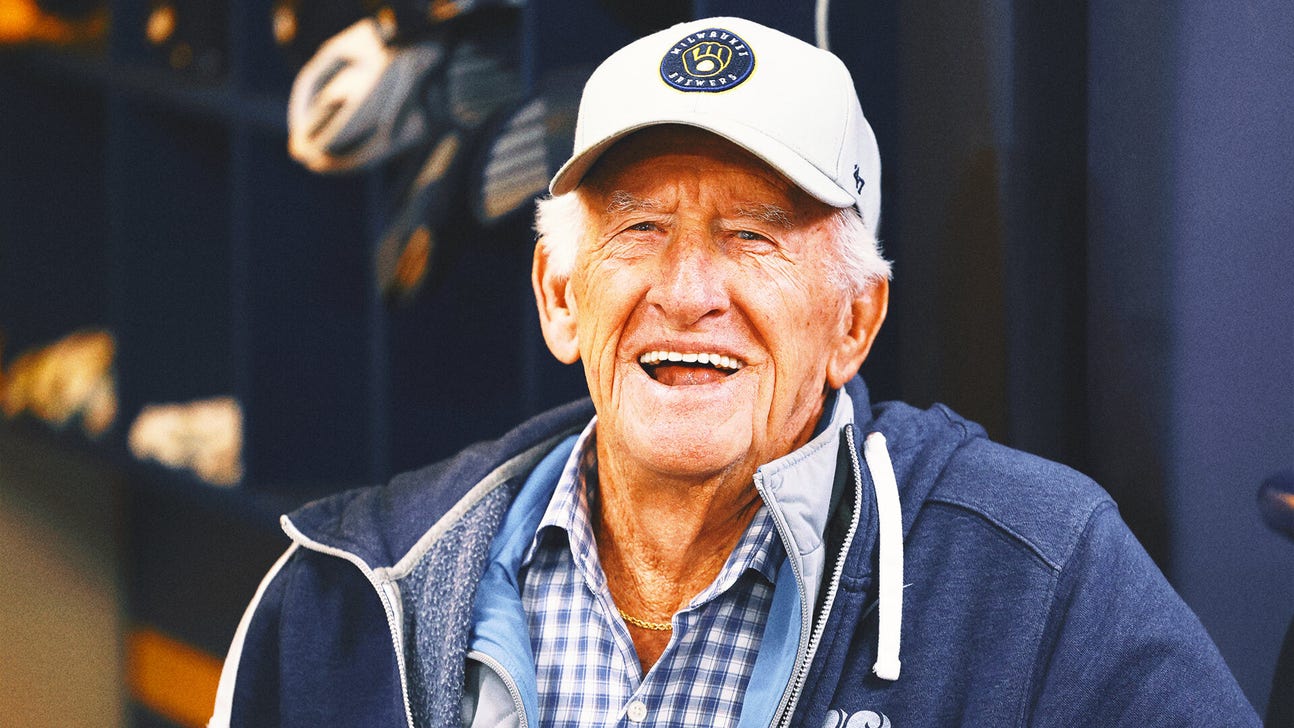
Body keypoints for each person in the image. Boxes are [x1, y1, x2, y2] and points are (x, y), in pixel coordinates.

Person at [209, 16, 1258, 728]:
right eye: (640, 228)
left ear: (854, 320)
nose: (686, 288)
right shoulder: (345, 593)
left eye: (755, 236)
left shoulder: (1036, 579)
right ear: (560, 296)